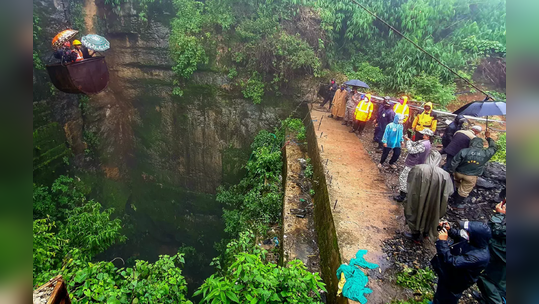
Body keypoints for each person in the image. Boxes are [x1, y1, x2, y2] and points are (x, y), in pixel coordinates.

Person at [431, 221, 492, 304]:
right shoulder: (474, 241)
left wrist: (442, 242)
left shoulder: (478, 257)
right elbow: (459, 235)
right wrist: (449, 230)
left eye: (467, 232)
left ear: (475, 236)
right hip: (450, 275)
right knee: (441, 292)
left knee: (447, 298)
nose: (464, 232)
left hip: (456, 282)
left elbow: (452, 261)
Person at [402, 150, 454, 243]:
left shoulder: (417, 168)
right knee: (431, 215)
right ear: (439, 160)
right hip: (435, 202)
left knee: (415, 212)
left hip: (418, 198)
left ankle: (416, 235)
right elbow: (449, 192)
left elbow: (409, 182)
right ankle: (426, 234)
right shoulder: (444, 174)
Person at [449, 132, 498, 209]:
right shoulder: (485, 153)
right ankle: (456, 204)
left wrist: (451, 171)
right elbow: (494, 148)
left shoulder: (464, 151)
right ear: (481, 145)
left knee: (457, 184)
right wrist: (488, 138)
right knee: (464, 190)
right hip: (471, 176)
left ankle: (452, 196)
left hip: (459, 172)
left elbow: (454, 162)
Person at [474, 191, 506, 304]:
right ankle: (485, 299)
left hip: (501, 256)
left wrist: (499, 214)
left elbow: (496, 230)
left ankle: (494, 301)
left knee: (488, 279)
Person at [393, 128, 433, 202]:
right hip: (415, 164)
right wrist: (408, 139)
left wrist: (408, 142)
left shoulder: (424, 145)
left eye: (424, 134)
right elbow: (414, 144)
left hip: (413, 164)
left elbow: (411, 150)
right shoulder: (425, 142)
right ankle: (405, 195)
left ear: (427, 136)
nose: (422, 135)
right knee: (407, 179)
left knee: (403, 178)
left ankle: (402, 196)